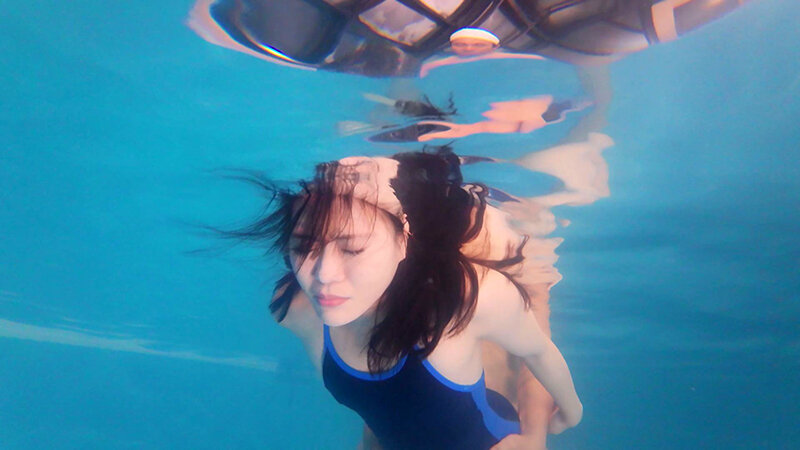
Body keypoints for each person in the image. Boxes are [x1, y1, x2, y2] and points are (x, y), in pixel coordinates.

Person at [240, 152, 582, 449]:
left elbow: (537, 351)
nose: (323, 275)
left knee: (515, 323)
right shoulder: (294, 309)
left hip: (490, 438)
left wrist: (551, 426)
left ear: (403, 241)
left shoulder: (466, 301)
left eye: (352, 249)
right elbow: (384, 402)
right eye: (303, 247)